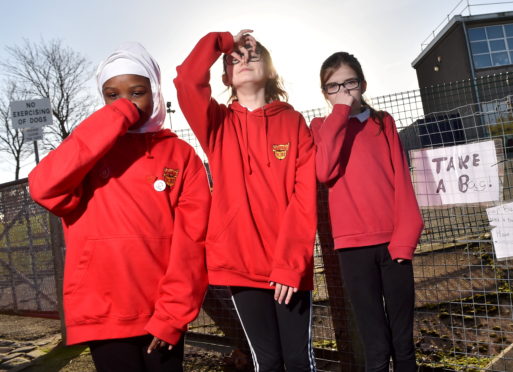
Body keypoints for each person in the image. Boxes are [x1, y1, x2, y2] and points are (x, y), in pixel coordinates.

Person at [28, 42, 210, 372]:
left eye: (136, 92)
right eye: (112, 95)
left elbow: (192, 244)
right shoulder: (86, 151)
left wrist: (171, 315)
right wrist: (115, 117)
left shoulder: (181, 155)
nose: (125, 102)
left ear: (154, 91)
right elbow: (43, 187)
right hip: (103, 312)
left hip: (160, 314)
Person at [174, 30, 317, 371]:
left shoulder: (294, 122)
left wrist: (290, 265)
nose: (244, 61)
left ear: (269, 69)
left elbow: (304, 198)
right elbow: (186, 81)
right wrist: (223, 41)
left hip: (289, 267)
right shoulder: (217, 124)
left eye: (253, 56)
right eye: (234, 60)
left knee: (298, 360)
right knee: (266, 362)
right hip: (241, 265)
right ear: (225, 76)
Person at [310, 52, 424, 372]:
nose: (343, 91)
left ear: (363, 84)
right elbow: (324, 171)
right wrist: (341, 112)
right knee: (375, 347)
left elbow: (402, 181)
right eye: (333, 87)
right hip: (353, 251)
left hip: (393, 246)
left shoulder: (382, 121)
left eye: (349, 83)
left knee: (402, 344)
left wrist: (404, 241)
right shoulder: (321, 126)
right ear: (324, 93)